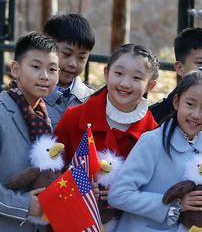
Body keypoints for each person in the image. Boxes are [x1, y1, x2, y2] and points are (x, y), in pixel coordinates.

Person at [108, 70, 202, 231]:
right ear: (176, 102)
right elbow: (118, 195)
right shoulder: (152, 141)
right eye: (190, 104)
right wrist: (175, 205)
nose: (196, 114)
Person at [55, 43, 160, 160]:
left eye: (136, 78)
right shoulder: (73, 117)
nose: (125, 84)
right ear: (106, 73)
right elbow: (53, 169)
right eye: (119, 73)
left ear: (150, 85)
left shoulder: (154, 135)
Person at [0, 32, 60, 231]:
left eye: (51, 69)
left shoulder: (50, 116)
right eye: (36, 67)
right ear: (15, 70)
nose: (44, 76)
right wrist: (26, 206)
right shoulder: (1, 112)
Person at [42, 13, 96, 126]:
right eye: (66, 54)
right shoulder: (29, 97)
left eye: (81, 57)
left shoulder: (93, 101)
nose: (73, 64)